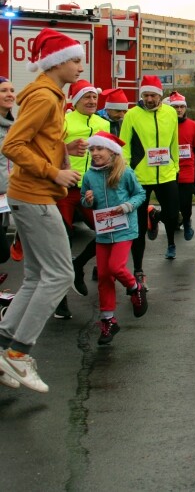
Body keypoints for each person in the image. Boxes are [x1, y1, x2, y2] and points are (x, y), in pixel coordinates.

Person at [0, 28, 89, 393]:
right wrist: (55, 172)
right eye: (75, 61)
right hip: (34, 195)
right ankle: (19, 354)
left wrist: (67, 148)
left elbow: (39, 141)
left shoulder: (50, 95)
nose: (80, 67)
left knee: (38, 275)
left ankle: (5, 345)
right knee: (60, 275)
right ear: (57, 63)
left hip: (33, 194)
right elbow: (13, 144)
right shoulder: (44, 97)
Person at [80, 132, 149, 345]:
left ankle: (136, 288)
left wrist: (128, 206)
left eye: (100, 148)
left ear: (112, 151)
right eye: (92, 149)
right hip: (103, 232)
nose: (95, 153)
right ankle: (108, 321)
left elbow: (140, 194)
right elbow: (84, 200)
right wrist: (88, 200)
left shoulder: (125, 172)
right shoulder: (89, 175)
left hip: (124, 229)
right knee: (103, 276)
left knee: (116, 268)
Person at [54, 79, 109, 318]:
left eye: (94, 97)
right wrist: (67, 147)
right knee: (61, 243)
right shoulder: (63, 121)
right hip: (65, 189)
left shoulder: (102, 123)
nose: (91, 101)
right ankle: (59, 300)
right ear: (75, 101)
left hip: (92, 189)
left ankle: (79, 265)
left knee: (107, 231)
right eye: (86, 98)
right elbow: (48, 150)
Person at [120, 75, 180, 273]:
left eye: (153, 95)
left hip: (166, 174)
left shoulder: (171, 113)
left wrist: (175, 166)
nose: (149, 99)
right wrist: (126, 172)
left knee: (173, 216)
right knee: (138, 229)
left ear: (160, 96)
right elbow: (124, 146)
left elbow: (174, 142)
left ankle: (155, 216)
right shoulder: (132, 115)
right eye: (145, 95)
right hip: (139, 178)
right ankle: (138, 269)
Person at [167, 92, 195, 242]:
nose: (179, 110)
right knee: (171, 208)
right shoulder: (165, 125)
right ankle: (171, 240)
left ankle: (187, 221)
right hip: (168, 171)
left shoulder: (192, 125)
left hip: (187, 170)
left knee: (186, 204)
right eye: (175, 107)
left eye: (181, 107)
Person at [0, 78, 14, 278]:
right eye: (3, 90)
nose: (10, 94)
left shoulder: (12, 125)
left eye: (12, 90)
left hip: (6, 196)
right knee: (3, 250)